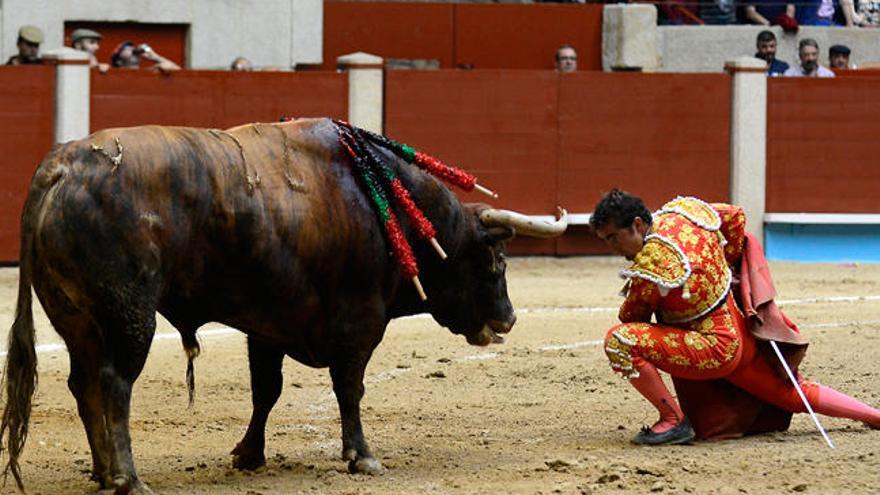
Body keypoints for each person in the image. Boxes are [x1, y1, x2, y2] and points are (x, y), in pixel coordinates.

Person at [590, 190, 880, 445]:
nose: (612, 247)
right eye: (605, 240)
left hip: (713, 350)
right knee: (792, 393)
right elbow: (734, 217)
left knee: (620, 341)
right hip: (738, 330)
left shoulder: (653, 266)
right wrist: (723, 265)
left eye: (614, 237)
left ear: (638, 224)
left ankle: (672, 420)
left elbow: (632, 317)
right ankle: (874, 415)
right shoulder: (683, 215)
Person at [111, 41, 181, 73]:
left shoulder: (149, 72)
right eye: (127, 49)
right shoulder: (112, 75)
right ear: (119, 61)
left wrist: (155, 57)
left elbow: (181, 73)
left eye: (133, 48)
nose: (133, 49)